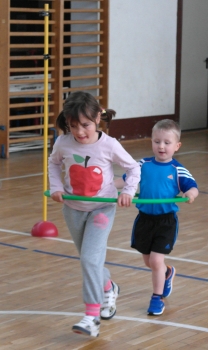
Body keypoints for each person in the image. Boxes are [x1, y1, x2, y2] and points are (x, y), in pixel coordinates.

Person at [48, 91, 140, 337]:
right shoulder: (63, 142)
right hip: (73, 209)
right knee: (91, 261)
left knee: (89, 259)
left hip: (102, 209)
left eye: (85, 125)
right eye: (73, 126)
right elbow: (54, 163)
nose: (79, 132)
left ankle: (91, 316)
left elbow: (133, 168)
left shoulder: (109, 144)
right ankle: (109, 287)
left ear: (99, 117)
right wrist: (56, 187)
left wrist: (128, 192)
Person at [115, 119, 198, 316]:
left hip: (166, 221)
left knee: (155, 260)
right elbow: (124, 180)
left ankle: (156, 298)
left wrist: (191, 194)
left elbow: (192, 186)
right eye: (157, 141)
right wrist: (104, 186)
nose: (161, 146)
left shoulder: (178, 170)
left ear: (177, 146)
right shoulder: (142, 165)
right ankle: (168, 272)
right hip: (144, 219)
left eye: (167, 143)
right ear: (151, 141)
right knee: (150, 262)